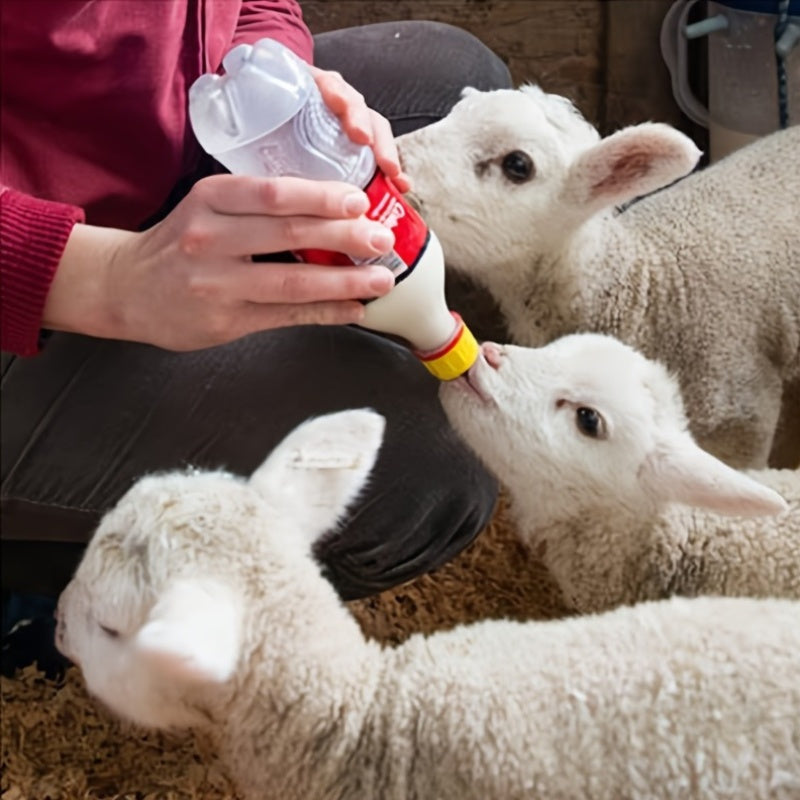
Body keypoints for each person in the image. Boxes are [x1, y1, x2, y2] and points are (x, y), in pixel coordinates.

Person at [0, 0, 511, 647]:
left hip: (162, 141)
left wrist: (283, 82)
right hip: (29, 276)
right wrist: (102, 281)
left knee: (462, 88)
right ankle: (61, 591)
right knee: (425, 477)